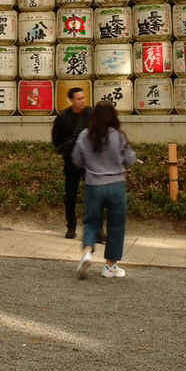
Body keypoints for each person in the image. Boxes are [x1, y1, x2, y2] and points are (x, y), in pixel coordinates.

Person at [72, 100, 136, 280]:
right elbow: (130, 159)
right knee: (116, 225)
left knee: (91, 221)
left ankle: (87, 252)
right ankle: (110, 266)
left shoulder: (85, 135)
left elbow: (76, 160)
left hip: (94, 185)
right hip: (116, 185)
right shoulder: (119, 136)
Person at [52, 87, 93, 239]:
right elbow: (57, 143)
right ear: (71, 100)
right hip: (72, 162)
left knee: (94, 195)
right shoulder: (63, 118)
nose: (82, 101)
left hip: (90, 162)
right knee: (71, 196)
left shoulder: (91, 114)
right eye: (78, 98)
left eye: (83, 98)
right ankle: (71, 227)